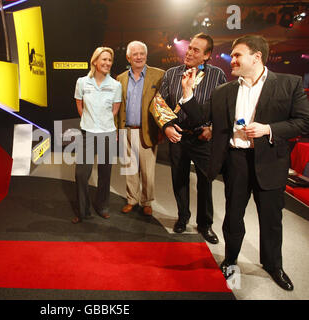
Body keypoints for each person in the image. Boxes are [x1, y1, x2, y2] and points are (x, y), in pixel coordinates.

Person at [180, 35, 309, 290]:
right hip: (236, 162)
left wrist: (268, 129)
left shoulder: (289, 84)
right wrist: (187, 94)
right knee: (233, 217)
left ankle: (273, 265)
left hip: (271, 162)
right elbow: (200, 118)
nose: (232, 60)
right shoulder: (223, 91)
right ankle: (230, 260)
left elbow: (304, 122)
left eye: (237, 55)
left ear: (256, 57)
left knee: (271, 220)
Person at [160, 33, 226, 244]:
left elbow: (224, 108)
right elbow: (159, 103)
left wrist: (213, 128)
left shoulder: (217, 75)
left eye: (196, 50)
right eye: (189, 48)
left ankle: (205, 224)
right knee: (179, 180)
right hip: (177, 136)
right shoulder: (171, 73)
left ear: (207, 55)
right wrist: (167, 126)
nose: (189, 52)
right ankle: (182, 217)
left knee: (205, 182)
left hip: (203, 138)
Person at [72, 47, 122, 224]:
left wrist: (103, 124)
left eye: (110, 60)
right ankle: (83, 210)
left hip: (107, 133)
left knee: (105, 173)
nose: (107, 63)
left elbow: (114, 111)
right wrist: (89, 121)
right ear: (95, 61)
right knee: (81, 174)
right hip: (87, 133)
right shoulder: (82, 82)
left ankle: (102, 206)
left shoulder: (116, 85)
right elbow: (80, 106)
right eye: (104, 59)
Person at [116, 41, 165, 216]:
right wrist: (117, 131)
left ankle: (147, 202)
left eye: (141, 53)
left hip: (147, 131)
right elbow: (118, 106)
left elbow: (163, 105)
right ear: (128, 57)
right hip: (126, 130)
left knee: (147, 171)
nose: (138, 57)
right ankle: (132, 200)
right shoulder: (120, 78)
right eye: (135, 54)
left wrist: (162, 129)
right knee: (130, 168)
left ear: (146, 55)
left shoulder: (159, 75)